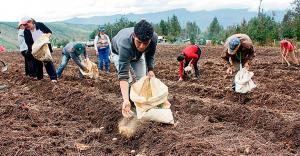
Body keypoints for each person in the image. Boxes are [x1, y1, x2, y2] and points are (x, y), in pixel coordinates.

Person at [111, 20, 158, 118]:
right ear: (133, 36)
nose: (142, 46)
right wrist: (125, 100)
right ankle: (129, 104)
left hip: (137, 56)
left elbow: (150, 54)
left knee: (141, 80)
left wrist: (150, 69)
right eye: (139, 42)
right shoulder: (124, 44)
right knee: (129, 80)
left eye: (145, 43)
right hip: (119, 53)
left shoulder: (153, 38)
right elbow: (123, 75)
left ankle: (140, 105)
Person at [21, 17, 57, 82]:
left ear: (31, 22)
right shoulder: (26, 31)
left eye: (26, 25)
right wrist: (33, 49)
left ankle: (53, 78)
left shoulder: (40, 25)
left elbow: (49, 32)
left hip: (44, 47)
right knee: (37, 63)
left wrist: (45, 38)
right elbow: (28, 43)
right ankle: (40, 78)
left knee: (47, 62)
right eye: (24, 25)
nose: (25, 27)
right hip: (35, 48)